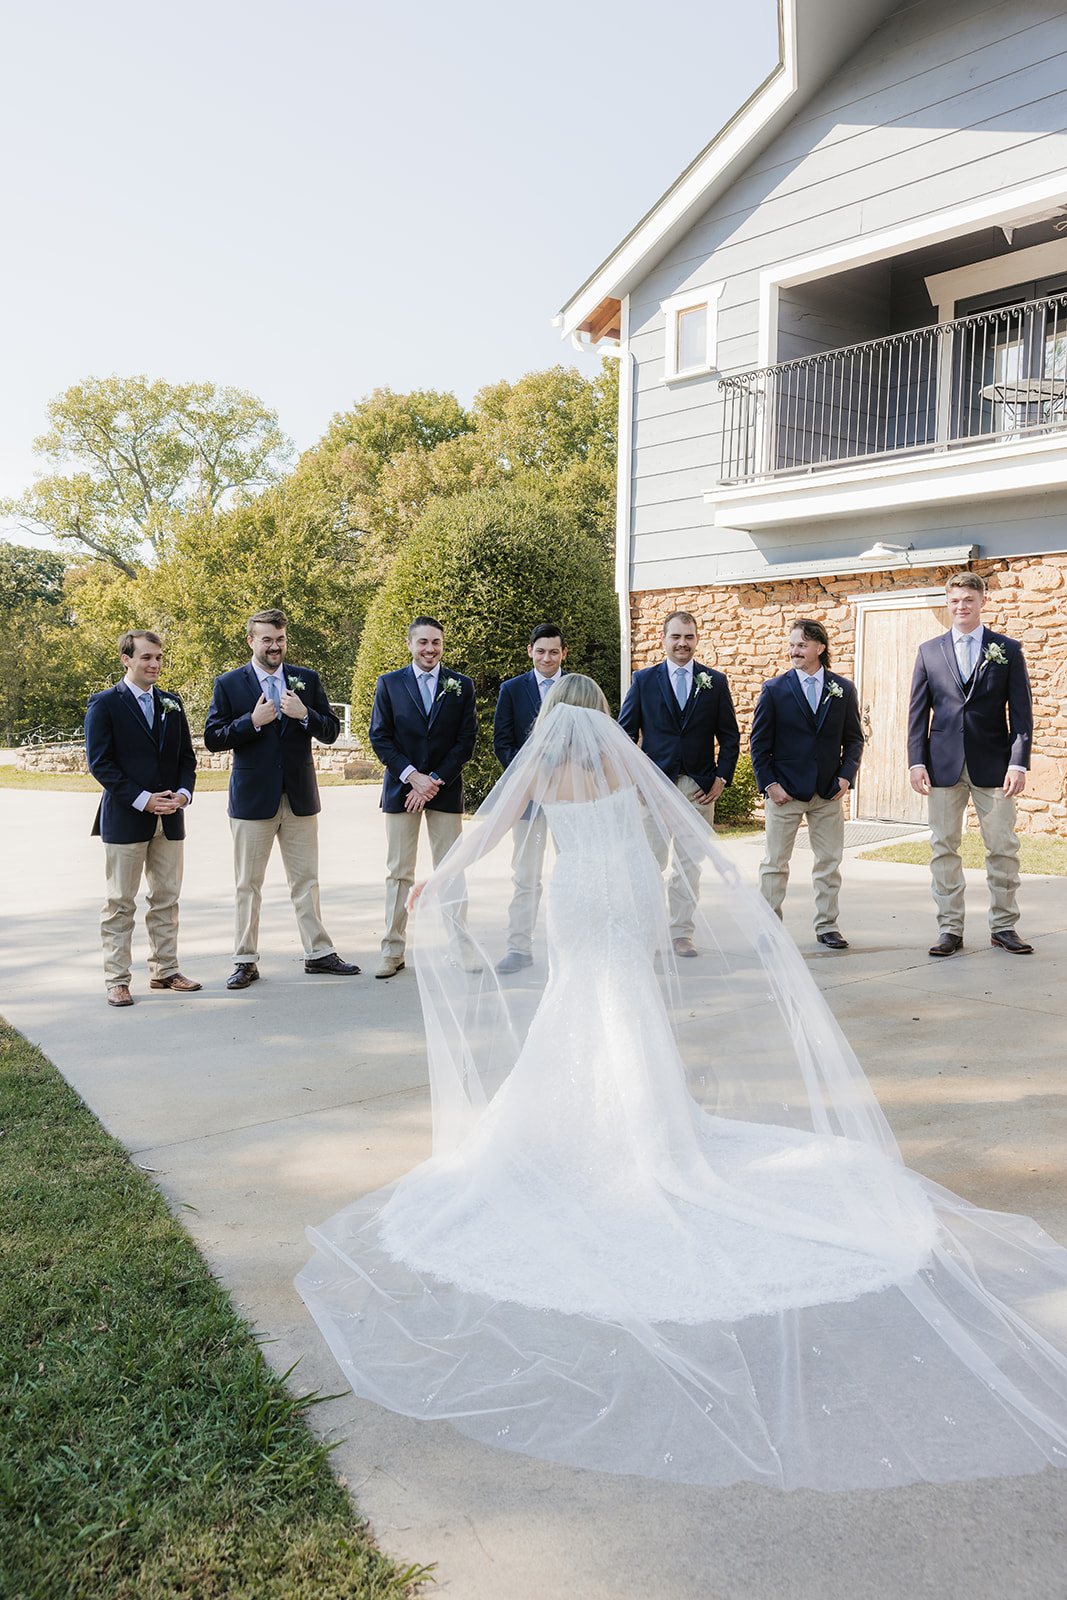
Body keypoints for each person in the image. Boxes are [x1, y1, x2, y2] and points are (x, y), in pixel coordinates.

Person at [298, 675, 1067, 1492]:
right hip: (624, 890)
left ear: (556, 716)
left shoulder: (540, 762)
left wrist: (439, 876)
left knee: (576, 999)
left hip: (577, 895)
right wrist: (722, 878)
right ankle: (643, 1127)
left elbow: (489, 828)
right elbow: (677, 813)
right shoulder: (623, 753)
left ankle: (589, 1130)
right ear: (603, 714)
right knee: (621, 1000)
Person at [204, 608, 360, 990]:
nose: (275, 646)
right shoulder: (229, 684)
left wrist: (304, 714)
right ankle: (245, 960)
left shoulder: (306, 680)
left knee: (306, 881)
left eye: (280, 639)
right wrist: (252, 722)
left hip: (299, 797)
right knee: (247, 884)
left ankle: (318, 953)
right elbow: (212, 738)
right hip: (252, 800)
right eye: (267, 639)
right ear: (251, 640)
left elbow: (330, 730)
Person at [907, 573, 1033, 957]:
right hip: (943, 765)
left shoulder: (1007, 649)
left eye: (968, 599)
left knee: (1003, 848)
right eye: (955, 600)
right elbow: (917, 712)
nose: (961, 606)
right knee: (943, 848)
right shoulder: (929, 651)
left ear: (981, 602)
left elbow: (1022, 714)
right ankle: (949, 929)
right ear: (948, 604)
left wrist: (1018, 764)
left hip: (994, 765)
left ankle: (1004, 927)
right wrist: (916, 761)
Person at [84, 630, 200, 1007]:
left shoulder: (173, 703)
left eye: (159, 658)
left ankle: (165, 970)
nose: (155, 665)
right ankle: (116, 979)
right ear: (126, 659)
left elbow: (186, 759)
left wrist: (182, 794)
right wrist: (143, 800)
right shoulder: (104, 704)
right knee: (120, 902)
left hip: (170, 819)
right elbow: (101, 764)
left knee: (167, 898)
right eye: (147, 657)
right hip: (126, 818)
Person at [618, 610, 739, 956]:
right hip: (653, 788)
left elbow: (729, 737)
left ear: (697, 639)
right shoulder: (643, 680)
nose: (682, 643)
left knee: (689, 865)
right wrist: (637, 781)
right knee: (649, 863)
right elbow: (626, 734)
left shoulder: (714, 682)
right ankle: (648, 930)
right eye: (676, 637)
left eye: (688, 637)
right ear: (664, 639)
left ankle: (681, 933)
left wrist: (722, 777)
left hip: (699, 790)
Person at [367, 616, 478, 978]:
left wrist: (434, 780)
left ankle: (461, 948)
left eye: (436, 643)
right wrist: (412, 777)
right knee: (399, 872)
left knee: (450, 870)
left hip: (444, 791)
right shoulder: (389, 684)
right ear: (410, 644)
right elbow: (381, 737)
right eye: (423, 642)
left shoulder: (461, 685)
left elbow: (465, 742)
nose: (430, 649)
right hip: (402, 790)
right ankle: (392, 950)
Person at [750, 620, 864, 950]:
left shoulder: (843, 689)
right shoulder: (775, 689)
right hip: (784, 793)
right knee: (774, 863)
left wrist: (845, 777)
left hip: (828, 792)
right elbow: (758, 744)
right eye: (792, 645)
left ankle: (827, 926)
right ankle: (769, 929)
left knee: (829, 862)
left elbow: (854, 740)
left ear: (819, 648)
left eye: (801, 645)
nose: (794, 651)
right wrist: (769, 784)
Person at [491, 621, 567, 973]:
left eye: (554, 651)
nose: (547, 658)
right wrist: (530, 779)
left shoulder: (575, 688)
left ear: (563, 653)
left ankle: (573, 947)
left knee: (572, 872)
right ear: (530, 652)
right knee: (525, 875)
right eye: (541, 651)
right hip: (528, 799)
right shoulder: (511, 689)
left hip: (570, 798)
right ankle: (519, 948)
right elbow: (502, 743)